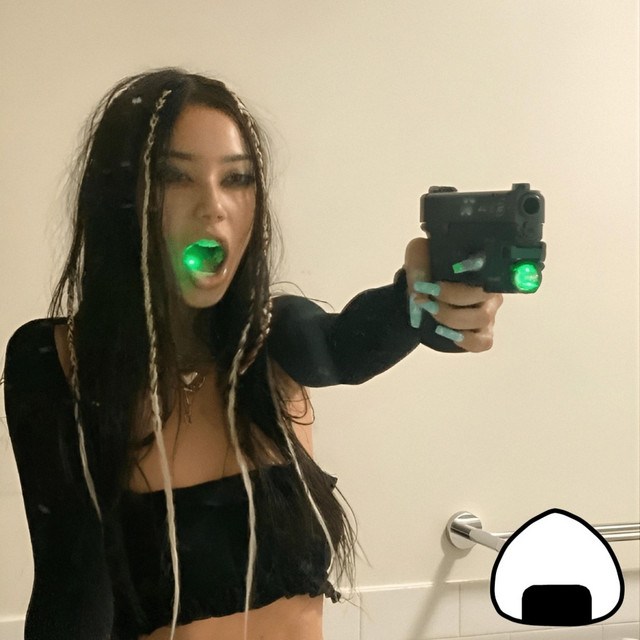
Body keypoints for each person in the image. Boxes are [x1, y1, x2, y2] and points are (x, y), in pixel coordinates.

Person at [2, 68, 503, 640]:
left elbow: (344, 346)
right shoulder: (58, 360)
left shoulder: (272, 338)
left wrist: (424, 299)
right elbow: (69, 593)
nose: (214, 206)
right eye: (174, 176)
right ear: (120, 199)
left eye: (237, 179)